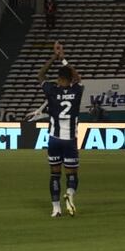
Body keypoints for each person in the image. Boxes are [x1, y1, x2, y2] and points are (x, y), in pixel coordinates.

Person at [37, 41, 84, 217]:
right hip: (70, 140)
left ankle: (56, 209)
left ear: (58, 79)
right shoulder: (77, 91)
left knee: (54, 174)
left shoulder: (51, 90)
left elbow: (40, 75)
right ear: (70, 79)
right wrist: (63, 59)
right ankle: (70, 194)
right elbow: (78, 78)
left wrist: (54, 57)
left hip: (54, 139)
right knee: (72, 174)